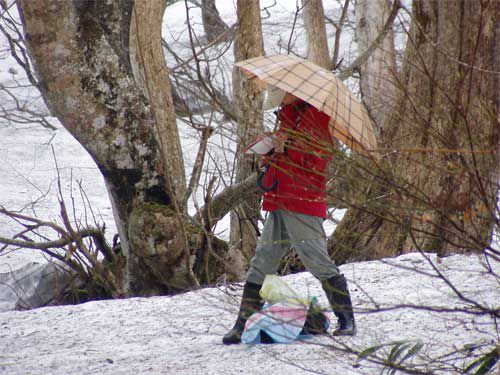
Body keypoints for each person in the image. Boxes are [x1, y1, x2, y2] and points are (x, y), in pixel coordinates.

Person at [223, 88, 356, 345]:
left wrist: (286, 149)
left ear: (294, 92)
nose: (278, 99)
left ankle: (347, 320)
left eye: (281, 94)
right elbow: (287, 158)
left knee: (317, 259)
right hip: (280, 198)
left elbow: (317, 163)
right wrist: (272, 152)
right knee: (263, 259)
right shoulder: (287, 115)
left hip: (302, 201)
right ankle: (243, 323)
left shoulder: (316, 118)